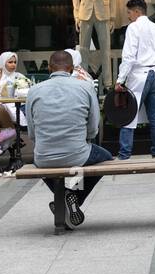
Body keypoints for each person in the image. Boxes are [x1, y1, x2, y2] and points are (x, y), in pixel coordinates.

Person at [26, 50, 113, 229]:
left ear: (49, 68)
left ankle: (65, 197)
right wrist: (84, 139)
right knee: (106, 157)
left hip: (43, 157)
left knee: (41, 160)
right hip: (77, 154)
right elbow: (93, 128)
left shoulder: (33, 91)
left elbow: (32, 133)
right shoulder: (86, 87)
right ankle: (74, 196)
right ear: (72, 68)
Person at [115, 0, 155, 160]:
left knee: (128, 115)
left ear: (137, 11)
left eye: (129, 12)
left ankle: (124, 154)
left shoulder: (133, 28)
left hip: (139, 75)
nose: (128, 16)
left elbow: (129, 56)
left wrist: (120, 79)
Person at [0, 51, 29, 130]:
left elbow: (27, 91)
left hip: (21, 106)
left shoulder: (19, 76)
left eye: (15, 62)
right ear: (3, 63)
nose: (13, 64)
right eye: (10, 62)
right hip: (3, 107)